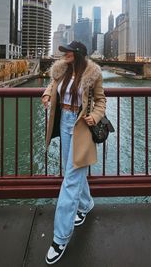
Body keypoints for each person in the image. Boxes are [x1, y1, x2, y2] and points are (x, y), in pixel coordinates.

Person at [41, 41, 106, 264]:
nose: (64, 54)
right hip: (64, 123)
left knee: (70, 179)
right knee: (73, 170)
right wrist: (48, 94)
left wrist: (95, 117)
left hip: (81, 126)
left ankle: (60, 237)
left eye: (68, 52)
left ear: (78, 54)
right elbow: (53, 84)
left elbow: (101, 101)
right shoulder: (62, 70)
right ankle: (86, 204)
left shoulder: (93, 74)